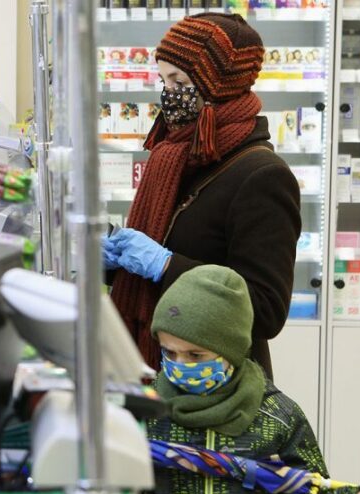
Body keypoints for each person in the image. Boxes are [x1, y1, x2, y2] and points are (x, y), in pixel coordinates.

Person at [105, 13, 301, 378]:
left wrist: (166, 265)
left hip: (216, 387)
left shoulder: (262, 175)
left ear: (218, 85)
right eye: (163, 80)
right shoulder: (179, 156)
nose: (168, 93)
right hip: (163, 371)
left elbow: (265, 310)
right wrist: (113, 263)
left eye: (178, 81)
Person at [140, 265, 360, 494]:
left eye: (195, 355)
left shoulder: (278, 417)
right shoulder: (147, 411)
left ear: (231, 350)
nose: (180, 365)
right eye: (169, 352)